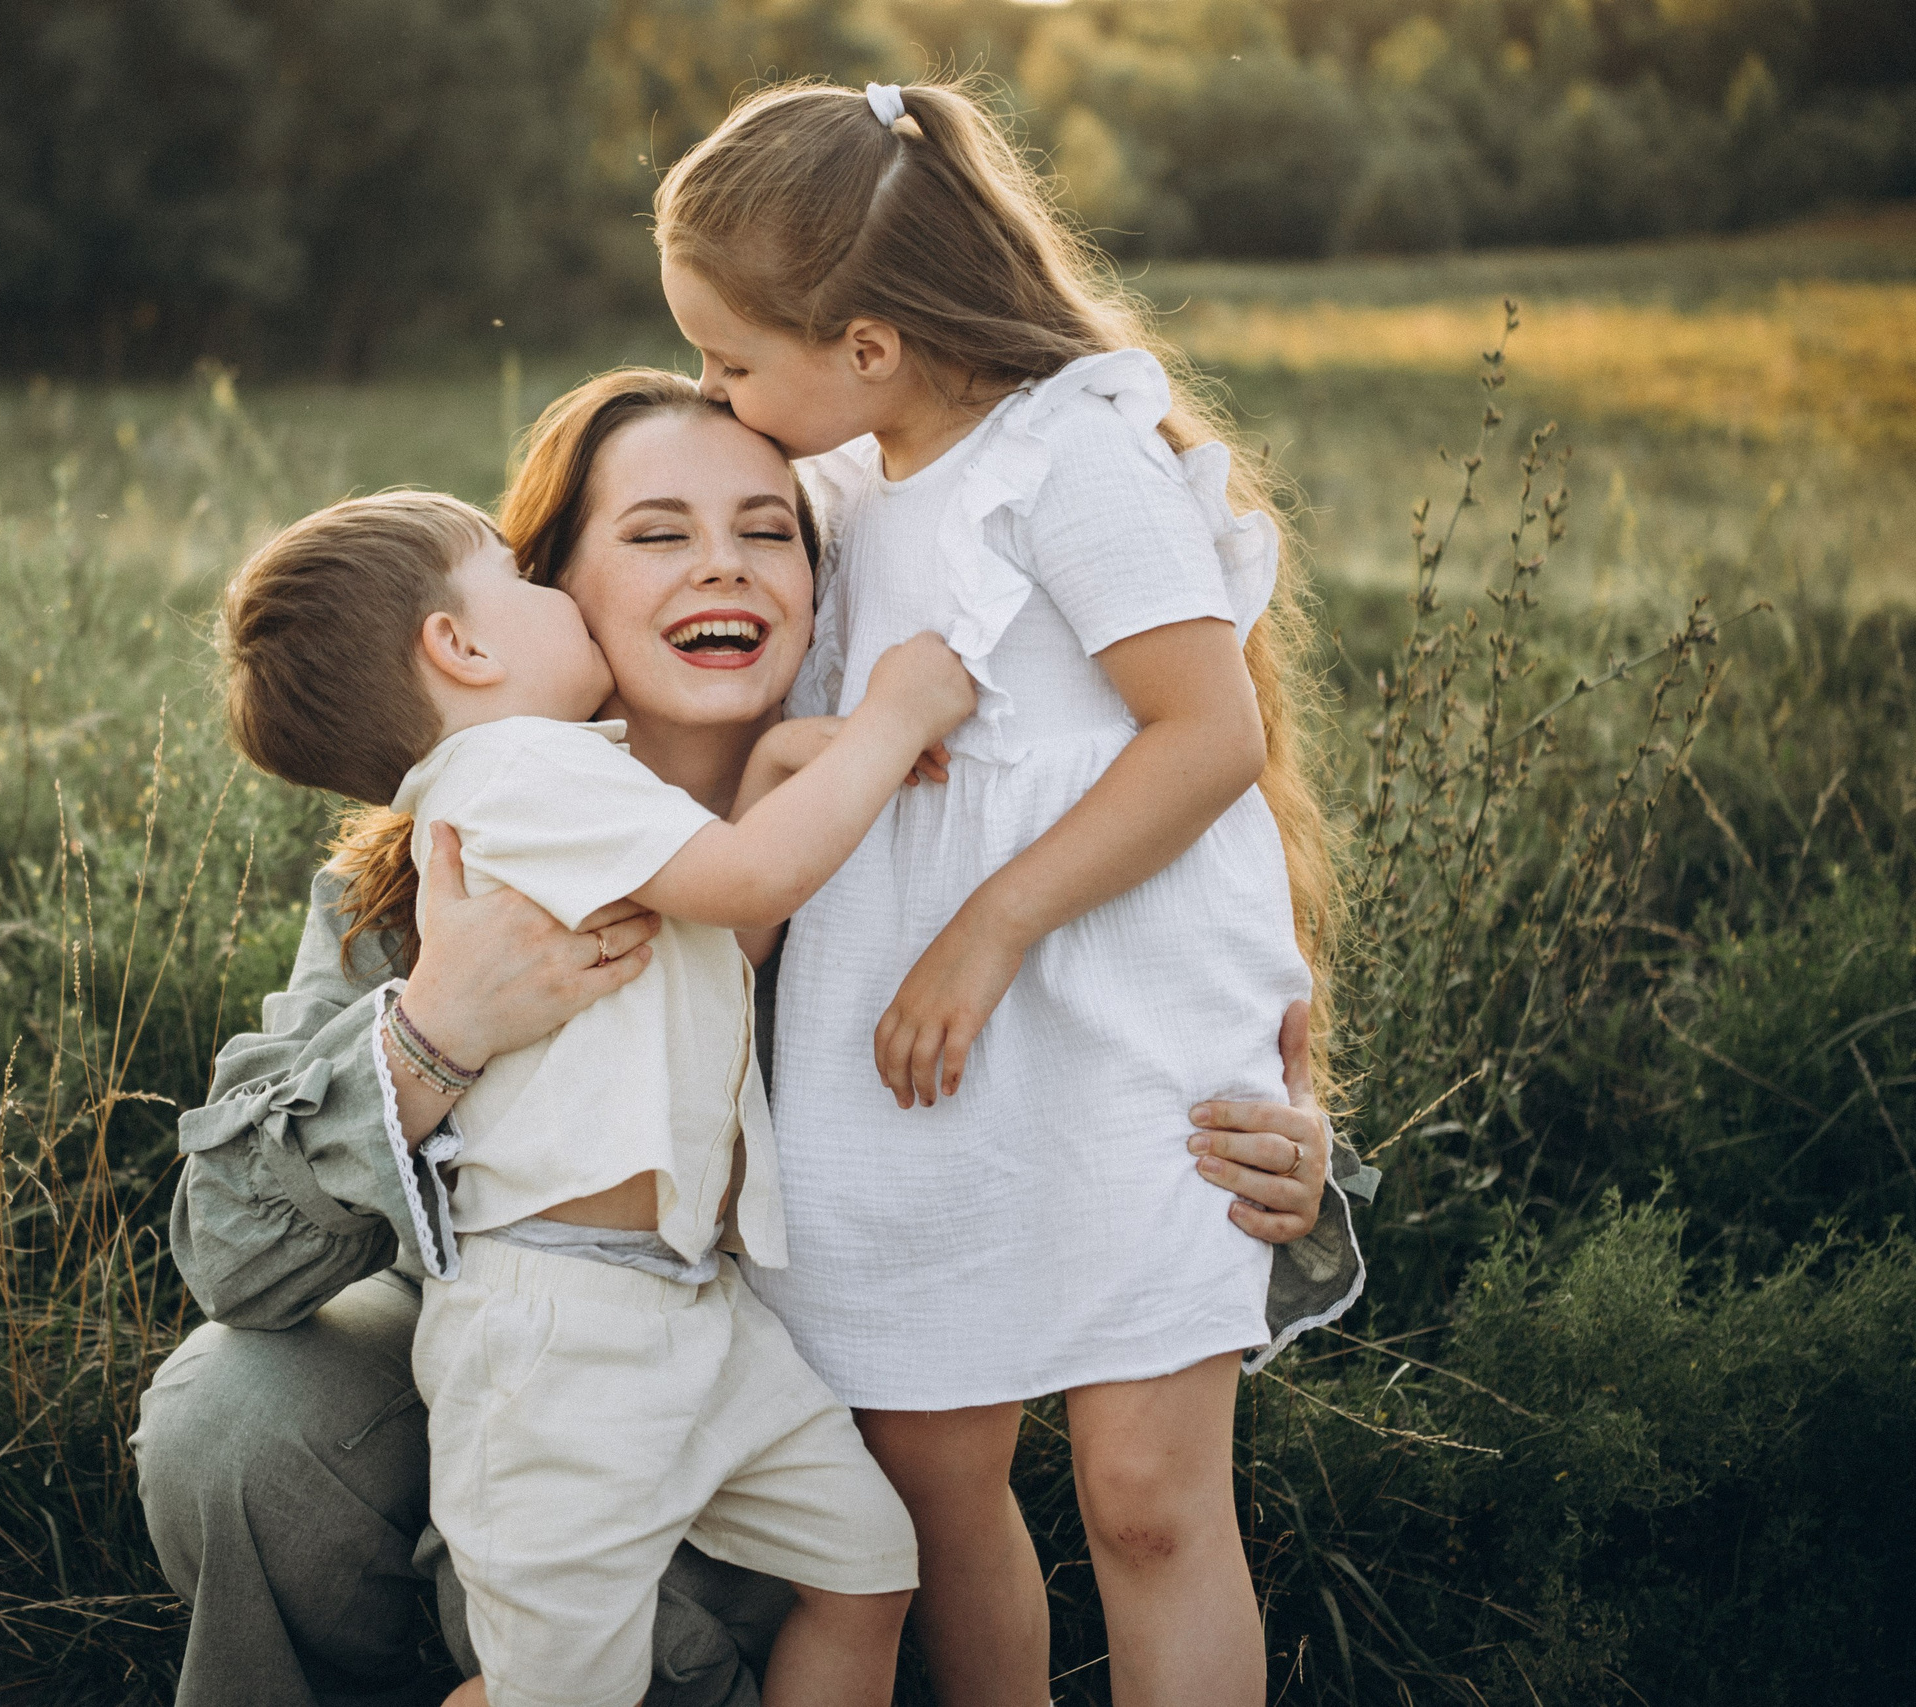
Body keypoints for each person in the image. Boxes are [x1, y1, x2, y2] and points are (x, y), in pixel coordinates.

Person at [130, 369, 1373, 1707]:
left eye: (769, 531)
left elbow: (1116, 1053)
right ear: (554, 588)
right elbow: (229, 1249)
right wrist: (436, 1030)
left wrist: (1293, 1155)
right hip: (523, 1329)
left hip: (759, 1386)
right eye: (656, 533)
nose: (721, 565)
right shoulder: (447, 857)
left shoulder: (917, 834)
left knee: (741, 1574)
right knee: (232, 1420)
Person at [650, 80, 1361, 1706]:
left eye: (731, 359)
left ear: (869, 346)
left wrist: (990, 923)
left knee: (1148, 1494)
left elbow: (1209, 734)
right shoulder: (834, 498)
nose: (712, 393)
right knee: (929, 1485)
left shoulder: (1067, 456)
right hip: (900, 1059)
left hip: (1124, 1022)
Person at [213, 487, 977, 1706]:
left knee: (867, 1566)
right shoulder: (518, 771)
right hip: (563, 1323)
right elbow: (748, 881)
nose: (715, 566)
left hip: (686, 1305)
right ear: (460, 646)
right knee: (564, 1688)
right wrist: (893, 719)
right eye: (526, 576)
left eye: (763, 529)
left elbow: (710, 952)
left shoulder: (564, 781)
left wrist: (772, 769)